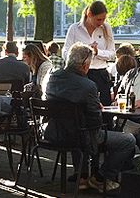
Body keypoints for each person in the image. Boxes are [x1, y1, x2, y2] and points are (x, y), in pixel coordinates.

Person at [46, 42, 135, 192]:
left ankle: (82, 176)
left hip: (55, 132)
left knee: (77, 126)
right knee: (128, 140)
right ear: (84, 65)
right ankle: (101, 178)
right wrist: (95, 107)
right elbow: (95, 122)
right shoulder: (88, 85)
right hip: (80, 136)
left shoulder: (52, 78)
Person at [63, 1, 116, 106]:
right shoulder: (74, 28)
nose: (101, 22)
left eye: (104, 19)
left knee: (103, 107)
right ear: (89, 15)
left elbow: (112, 54)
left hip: (100, 74)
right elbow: (65, 51)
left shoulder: (106, 28)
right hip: (80, 74)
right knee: (82, 107)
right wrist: (78, 57)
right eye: (99, 19)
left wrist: (97, 52)